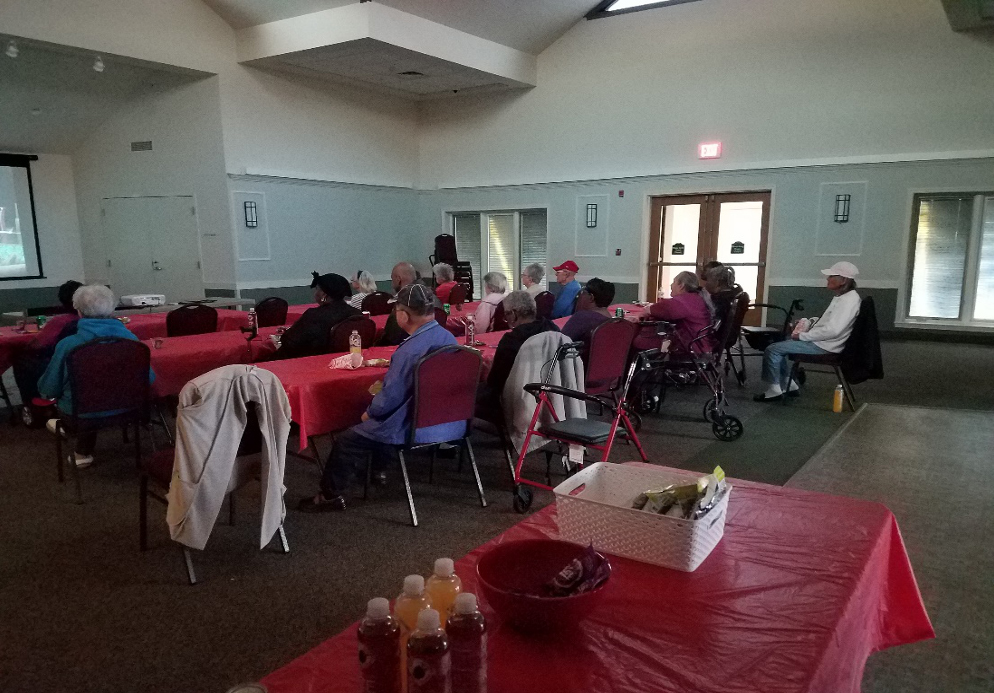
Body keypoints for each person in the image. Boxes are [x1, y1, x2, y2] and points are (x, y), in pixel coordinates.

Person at [298, 284, 461, 513]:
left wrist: (370, 412)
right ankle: (378, 470)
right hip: (448, 422)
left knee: (350, 436)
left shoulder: (410, 350)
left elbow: (390, 398)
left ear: (403, 315)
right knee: (377, 424)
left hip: (413, 426)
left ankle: (329, 496)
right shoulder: (449, 339)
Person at [38, 284, 155, 468]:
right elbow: (149, 379)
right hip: (129, 410)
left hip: (83, 414)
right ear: (112, 309)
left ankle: (80, 451)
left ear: (79, 312)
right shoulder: (132, 340)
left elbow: (49, 388)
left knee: (81, 397)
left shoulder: (69, 345)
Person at [754, 262, 861, 402]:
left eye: (831, 276)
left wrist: (803, 336)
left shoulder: (847, 302)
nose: (827, 279)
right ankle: (788, 384)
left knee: (773, 349)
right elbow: (829, 322)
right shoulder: (845, 298)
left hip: (824, 346)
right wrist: (809, 323)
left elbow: (833, 330)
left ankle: (774, 390)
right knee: (780, 343)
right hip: (825, 342)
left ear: (844, 280)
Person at [476, 290, 560, 416]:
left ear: (513, 314)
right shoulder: (553, 329)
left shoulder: (512, 340)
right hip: (551, 393)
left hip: (516, 400)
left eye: (506, 315)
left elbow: (495, 382)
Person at [12, 280, 83, 414]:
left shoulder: (59, 322)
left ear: (62, 300)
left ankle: (34, 405)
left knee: (20, 359)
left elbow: (35, 346)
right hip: (84, 365)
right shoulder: (98, 320)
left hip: (59, 365)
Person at [270, 272, 359, 360]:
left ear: (324, 294)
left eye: (316, 289)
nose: (315, 293)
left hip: (309, 362)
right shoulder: (357, 314)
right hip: (345, 359)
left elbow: (289, 342)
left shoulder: (314, 315)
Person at [641, 271, 716, 354]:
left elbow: (664, 308)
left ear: (681, 286)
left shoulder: (683, 301)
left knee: (641, 340)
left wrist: (648, 309)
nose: (671, 285)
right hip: (700, 343)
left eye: (674, 282)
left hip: (693, 347)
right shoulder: (696, 298)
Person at [561, 277, 615, 358]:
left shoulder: (582, 318)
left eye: (583, 292)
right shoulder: (611, 321)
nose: (579, 296)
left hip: (579, 366)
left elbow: (560, 343)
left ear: (591, 297)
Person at [377, 261, 421, 346]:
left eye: (392, 279)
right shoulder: (431, 296)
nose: (392, 283)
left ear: (398, 279)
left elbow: (390, 339)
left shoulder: (402, 306)